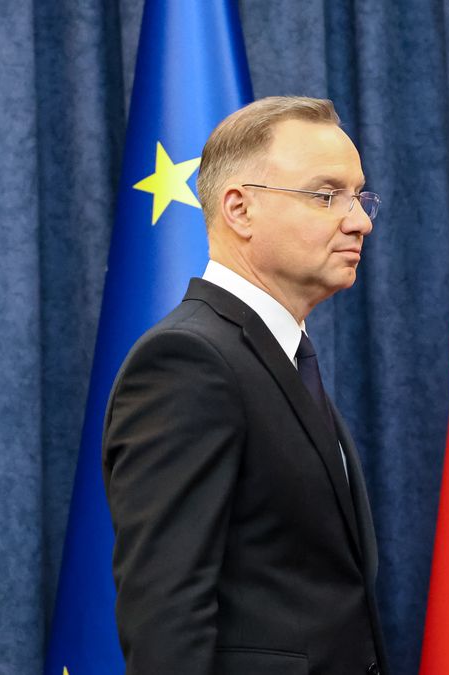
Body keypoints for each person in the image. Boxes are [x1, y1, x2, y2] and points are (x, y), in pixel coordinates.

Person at [102, 96, 387, 675]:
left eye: (359, 196)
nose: (360, 220)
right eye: (325, 195)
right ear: (239, 209)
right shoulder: (187, 363)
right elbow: (166, 622)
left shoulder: (282, 357)